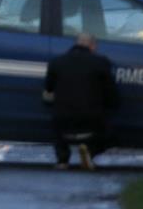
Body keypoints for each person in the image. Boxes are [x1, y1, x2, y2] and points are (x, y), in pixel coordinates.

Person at [44, 33, 119, 170]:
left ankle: (62, 159)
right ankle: (90, 152)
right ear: (93, 46)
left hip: (63, 119)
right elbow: (111, 93)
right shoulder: (101, 63)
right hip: (91, 119)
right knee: (110, 129)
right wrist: (111, 106)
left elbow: (48, 88)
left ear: (75, 44)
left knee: (55, 119)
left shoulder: (56, 62)